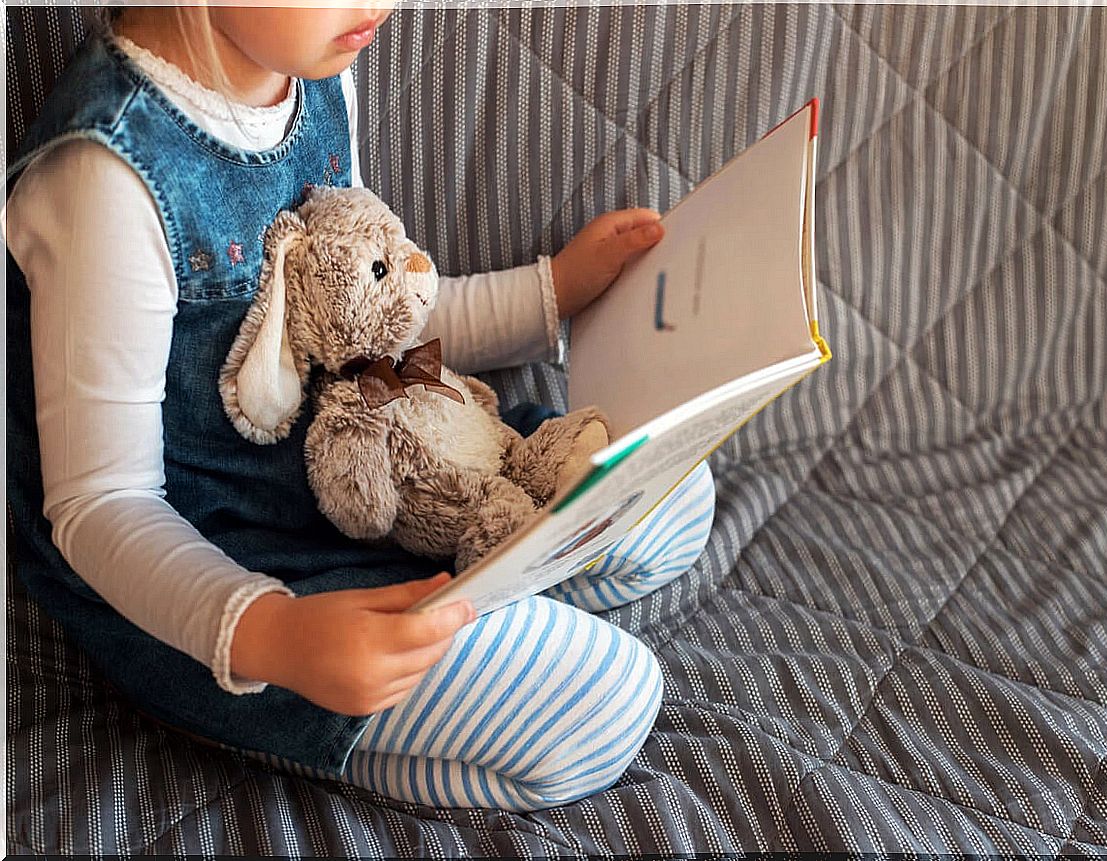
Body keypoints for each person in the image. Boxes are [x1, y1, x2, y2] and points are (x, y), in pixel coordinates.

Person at [4, 5, 717, 811]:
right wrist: (275, 637)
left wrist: (548, 294)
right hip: (229, 583)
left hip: (379, 461)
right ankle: (285, 723)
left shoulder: (316, 64)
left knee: (681, 494)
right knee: (607, 705)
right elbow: (101, 506)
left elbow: (377, 318)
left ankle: (489, 572)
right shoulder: (106, 178)